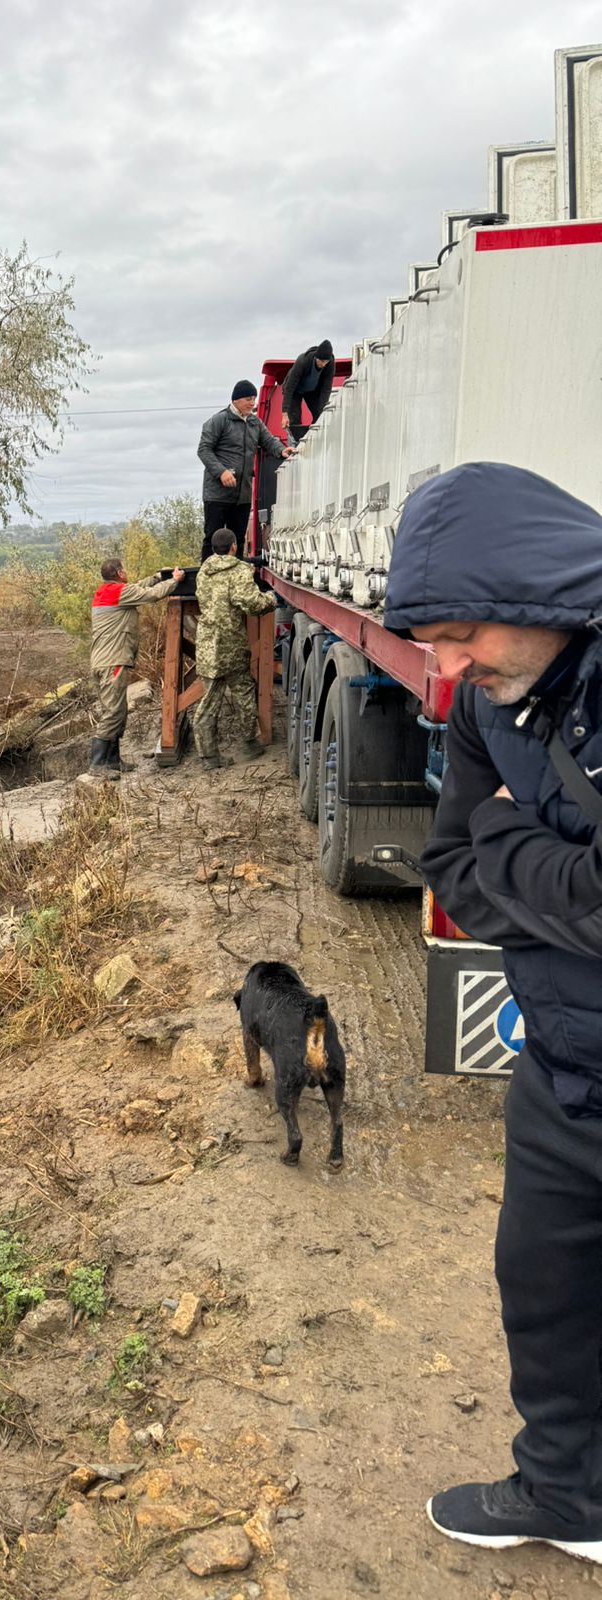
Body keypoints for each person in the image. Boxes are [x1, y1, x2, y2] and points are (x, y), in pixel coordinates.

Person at [384, 461, 602, 1564]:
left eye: (466, 635)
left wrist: (514, 845)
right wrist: (540, 860)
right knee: (546, 1289)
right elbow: (452, 871)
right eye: (437, 643)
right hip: (561, 1067)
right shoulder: (485, 711)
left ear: (540, 598)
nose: (453, 668)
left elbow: (501, 863)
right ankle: (569, 1498)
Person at [82, 559, 183, 783]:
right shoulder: (118, 592)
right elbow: (152, 595)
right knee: (113, 712)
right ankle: (97, 764)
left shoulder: (107, 591)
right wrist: (174, 582)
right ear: (119, 573)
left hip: (103, 661)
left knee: (118, 709)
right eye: (124, 569)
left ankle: (112, 761)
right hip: (113, 662)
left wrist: (158, 576)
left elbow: (139, 586)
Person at [190, 530, 276, 770]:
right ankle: (249, 743)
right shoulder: (238, 571)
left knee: (209, 700)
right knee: (243, 690)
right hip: (231, 643)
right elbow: (251, 603)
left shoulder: (204, 570)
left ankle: (208, 756)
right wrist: (271, 598)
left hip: (208, 643)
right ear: (234, 547)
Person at [196, 380, 295, 561]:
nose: (252, 403)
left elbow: (269, 440)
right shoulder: (219, 421)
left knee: (238, 540)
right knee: (213, 539)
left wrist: (281, 450)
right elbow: (203, 450)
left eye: (254, 399)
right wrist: (221, 472)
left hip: (242, 493)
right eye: (248, 399)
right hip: (217, 494)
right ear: (236, 400)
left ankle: (236, 581)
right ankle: (207, 583)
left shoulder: (254, 423)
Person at [280, 339, 335, 442]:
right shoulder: (303, 361)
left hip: (311, 390)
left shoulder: (330, 363)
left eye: (325, 362)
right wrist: (284, 413)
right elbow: (289, 388)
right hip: (295, 389)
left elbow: (326, 388)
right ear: (316, 357)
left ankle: (315, 439)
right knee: (294, 418)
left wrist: (322, 408)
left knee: (320, 414)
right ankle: (295, 444)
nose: (323, 364)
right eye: (321, 361)